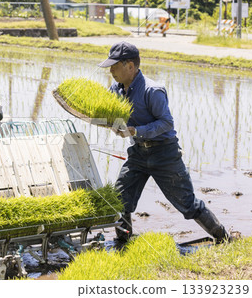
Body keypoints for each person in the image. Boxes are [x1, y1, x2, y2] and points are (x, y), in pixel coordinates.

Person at [98, 41, 231, 244]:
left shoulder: (153, 90)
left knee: (188, 204)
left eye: (115, 66)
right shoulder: (115, 90)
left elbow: (166, 123)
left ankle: (223, 238)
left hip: (165, 154)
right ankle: (123, 243)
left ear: (130, 66)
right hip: (139, 153)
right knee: (120, 199)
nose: (111, 71)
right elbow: (108, 114)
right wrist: (109, 123)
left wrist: (136, 130)